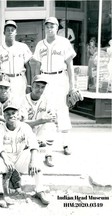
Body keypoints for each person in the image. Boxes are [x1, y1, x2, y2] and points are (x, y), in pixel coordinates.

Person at [0, 101, 50, 207]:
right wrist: (6, 159)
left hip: (19, 158)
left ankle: (40, 190)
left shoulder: (25, 127)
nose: (11, 115)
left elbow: (33, 143)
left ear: (18, 115)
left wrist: (32, 161)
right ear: (4, 116)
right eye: (8, 113)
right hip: (6, 160)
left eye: (13, 113)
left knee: (36, 157)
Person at [33, 17, 76, 155]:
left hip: (59, 77)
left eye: (53, 26)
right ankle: (47, 146)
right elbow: (37, 66)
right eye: (47, 26)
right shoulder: (40, 44)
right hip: (45, 78)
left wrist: (72, 86)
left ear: (57, 28)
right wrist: (35, 82)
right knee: (47, 110)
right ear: (44, 28)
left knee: (62, 110)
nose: (50, 28)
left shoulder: (64, 42)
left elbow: (70, 66)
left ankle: (66, 143)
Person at [22, 75, 57, 167]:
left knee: (51, 125)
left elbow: (52, 117)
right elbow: (21, 123)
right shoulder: (23, 100)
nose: (40, 89)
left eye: (42, 87)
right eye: (37, 86)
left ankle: (48, 155)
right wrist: (41, 120)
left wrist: (50, 118)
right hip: (27, 130)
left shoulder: (47, 99)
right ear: (31, 86)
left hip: (40, 130)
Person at [0, 20, 32, 100]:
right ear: (4, 33)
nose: (10, 32)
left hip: (19, 79)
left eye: (12, 30)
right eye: (8, 30)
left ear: (16, 32)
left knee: (20, 104)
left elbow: (28, 67)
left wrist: (28, 85)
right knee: (6, 104)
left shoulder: (23, 47)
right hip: (4, 80)